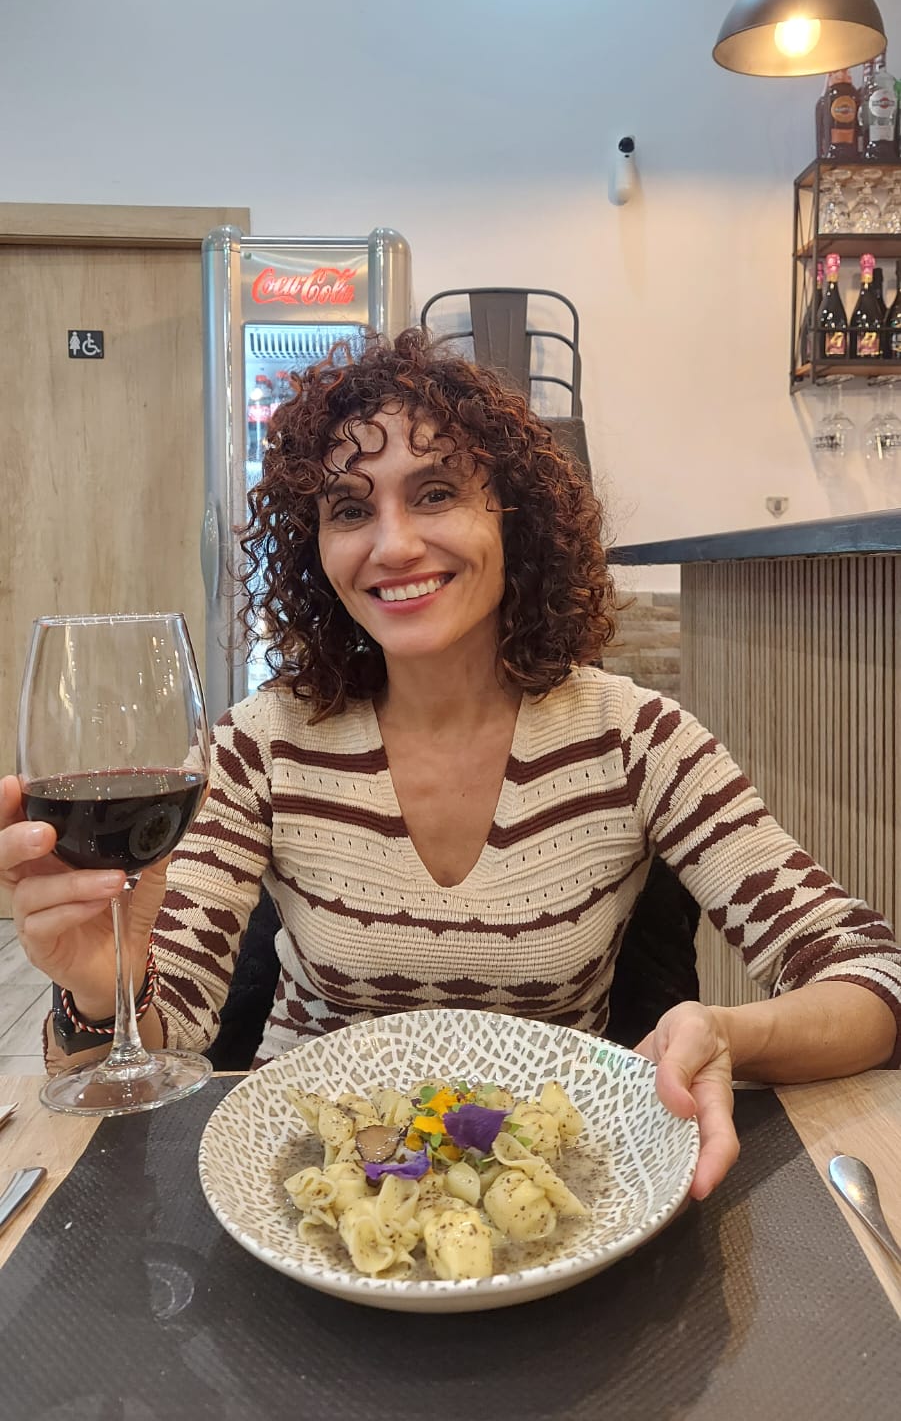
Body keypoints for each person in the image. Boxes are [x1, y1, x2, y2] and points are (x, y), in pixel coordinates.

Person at [2, 331, 900, 1204]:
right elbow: (165, 1041)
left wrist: (727, 1032)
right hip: (296, 1189)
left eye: (435, 494)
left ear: (515, 520)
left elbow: (871, 980)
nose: (392, 545)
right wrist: (97, 988)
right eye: (350, 510)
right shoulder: (259, 745)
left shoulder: (636, 739)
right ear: (316, 551)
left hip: (545, 1194)